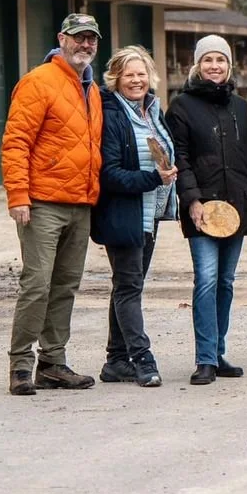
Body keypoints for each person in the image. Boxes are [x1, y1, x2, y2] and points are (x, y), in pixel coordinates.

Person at [0, 13, 106, 395]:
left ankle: (53, 363)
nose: (85, 45)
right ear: (62, 38)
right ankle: (20, 366)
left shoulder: (91, 88)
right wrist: (18, 195)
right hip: (42, 203)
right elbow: (15, 142)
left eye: (91, 39)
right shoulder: (38, 82)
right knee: (37, 284)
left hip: (81, 203)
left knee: (65, 285)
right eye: (79, 38)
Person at [167, 35, 247, 385]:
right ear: (197, 65)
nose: (215, 66)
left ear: (229, 65)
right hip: (203, 207)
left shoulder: (239, 106)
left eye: (221, 60)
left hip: (236, 205)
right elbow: (181, 157)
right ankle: (204, 358)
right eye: (208, 60)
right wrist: (192, 199)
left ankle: (219, 352)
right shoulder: (182, 106)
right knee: (206, 280)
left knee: (226, 281)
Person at [90, 46, 178, 388]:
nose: (136, 80)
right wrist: (155, 178)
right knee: (129, 287)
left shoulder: (153, 110)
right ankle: (142, 358)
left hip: (150, 214)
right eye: (129, 75)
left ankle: (115, 361)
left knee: (126, 286)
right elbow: (109, 174)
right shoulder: (113, 115)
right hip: (123, 214)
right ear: (115, 79)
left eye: (141, 74)